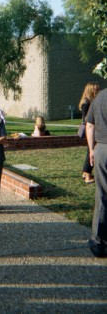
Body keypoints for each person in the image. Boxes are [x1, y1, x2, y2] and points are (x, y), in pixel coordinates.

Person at [85, 87, 107, 258]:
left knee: (102, 195)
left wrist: (92, 149)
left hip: (102, 149)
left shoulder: (99, 97)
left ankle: (98, 242)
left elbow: (90, 124)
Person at [79, 81, 100, 184]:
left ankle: (85, 173)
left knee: (90, 151)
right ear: (91, 91)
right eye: (96, 89)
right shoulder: (87, 103)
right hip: (90, 130)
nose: (98, 91)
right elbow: (87, 119)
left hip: (92, 129)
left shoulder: (89, 102)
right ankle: (87, 175)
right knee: (91, 152)